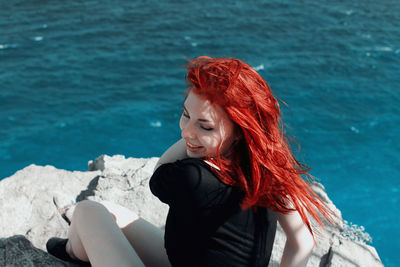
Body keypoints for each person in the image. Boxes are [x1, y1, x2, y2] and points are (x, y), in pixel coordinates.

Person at [46, 56, 336, 267]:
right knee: (108, 211)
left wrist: (189, 142)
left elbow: (158, 174)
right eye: (186, 114)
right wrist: (201, 133)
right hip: (182, 261)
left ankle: (75, 251)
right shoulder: (266, 170)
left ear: (240, 134)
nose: (187, 131)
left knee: (86, 211)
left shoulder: (193, 177)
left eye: (204, 126)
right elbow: (303, 243)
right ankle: (78, 244)